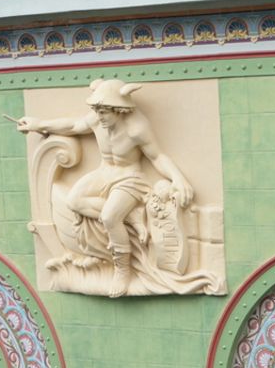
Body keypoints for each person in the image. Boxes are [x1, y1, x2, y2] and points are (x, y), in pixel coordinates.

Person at [16, 80, 194, 297]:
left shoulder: (136, 128)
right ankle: (131, 217)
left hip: (129, 178)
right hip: (104, 173)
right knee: (74, 201)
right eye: (97, 110)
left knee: (110, 217)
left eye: (104, 111)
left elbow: (157, 156)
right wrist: (39, 124)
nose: (99, 116)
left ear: (119, 110)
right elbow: (73, 126)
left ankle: (123, 268)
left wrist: (179, 178)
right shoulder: (98, 120)